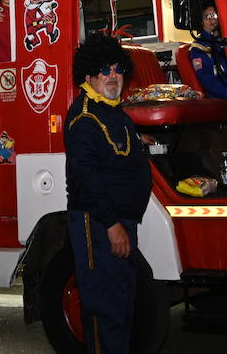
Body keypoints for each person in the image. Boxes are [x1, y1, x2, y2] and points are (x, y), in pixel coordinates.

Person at [65, 34, 153, 354]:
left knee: (122, 303)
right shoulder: (84, 115)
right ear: (88, 75)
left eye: (117, 69)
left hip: (120, 222)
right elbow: (86, 178)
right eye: (104, 70)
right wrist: (113, 224)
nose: (113, 75)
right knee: (104, 308)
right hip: (99, 224)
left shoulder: (113, 111)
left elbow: (116, 152)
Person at [187, 0, 227, 99]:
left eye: (215, 15)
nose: (213, 20)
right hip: (221, 99)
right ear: (201, 22)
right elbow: (207, 81)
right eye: (207, 17)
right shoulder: (198, 48)